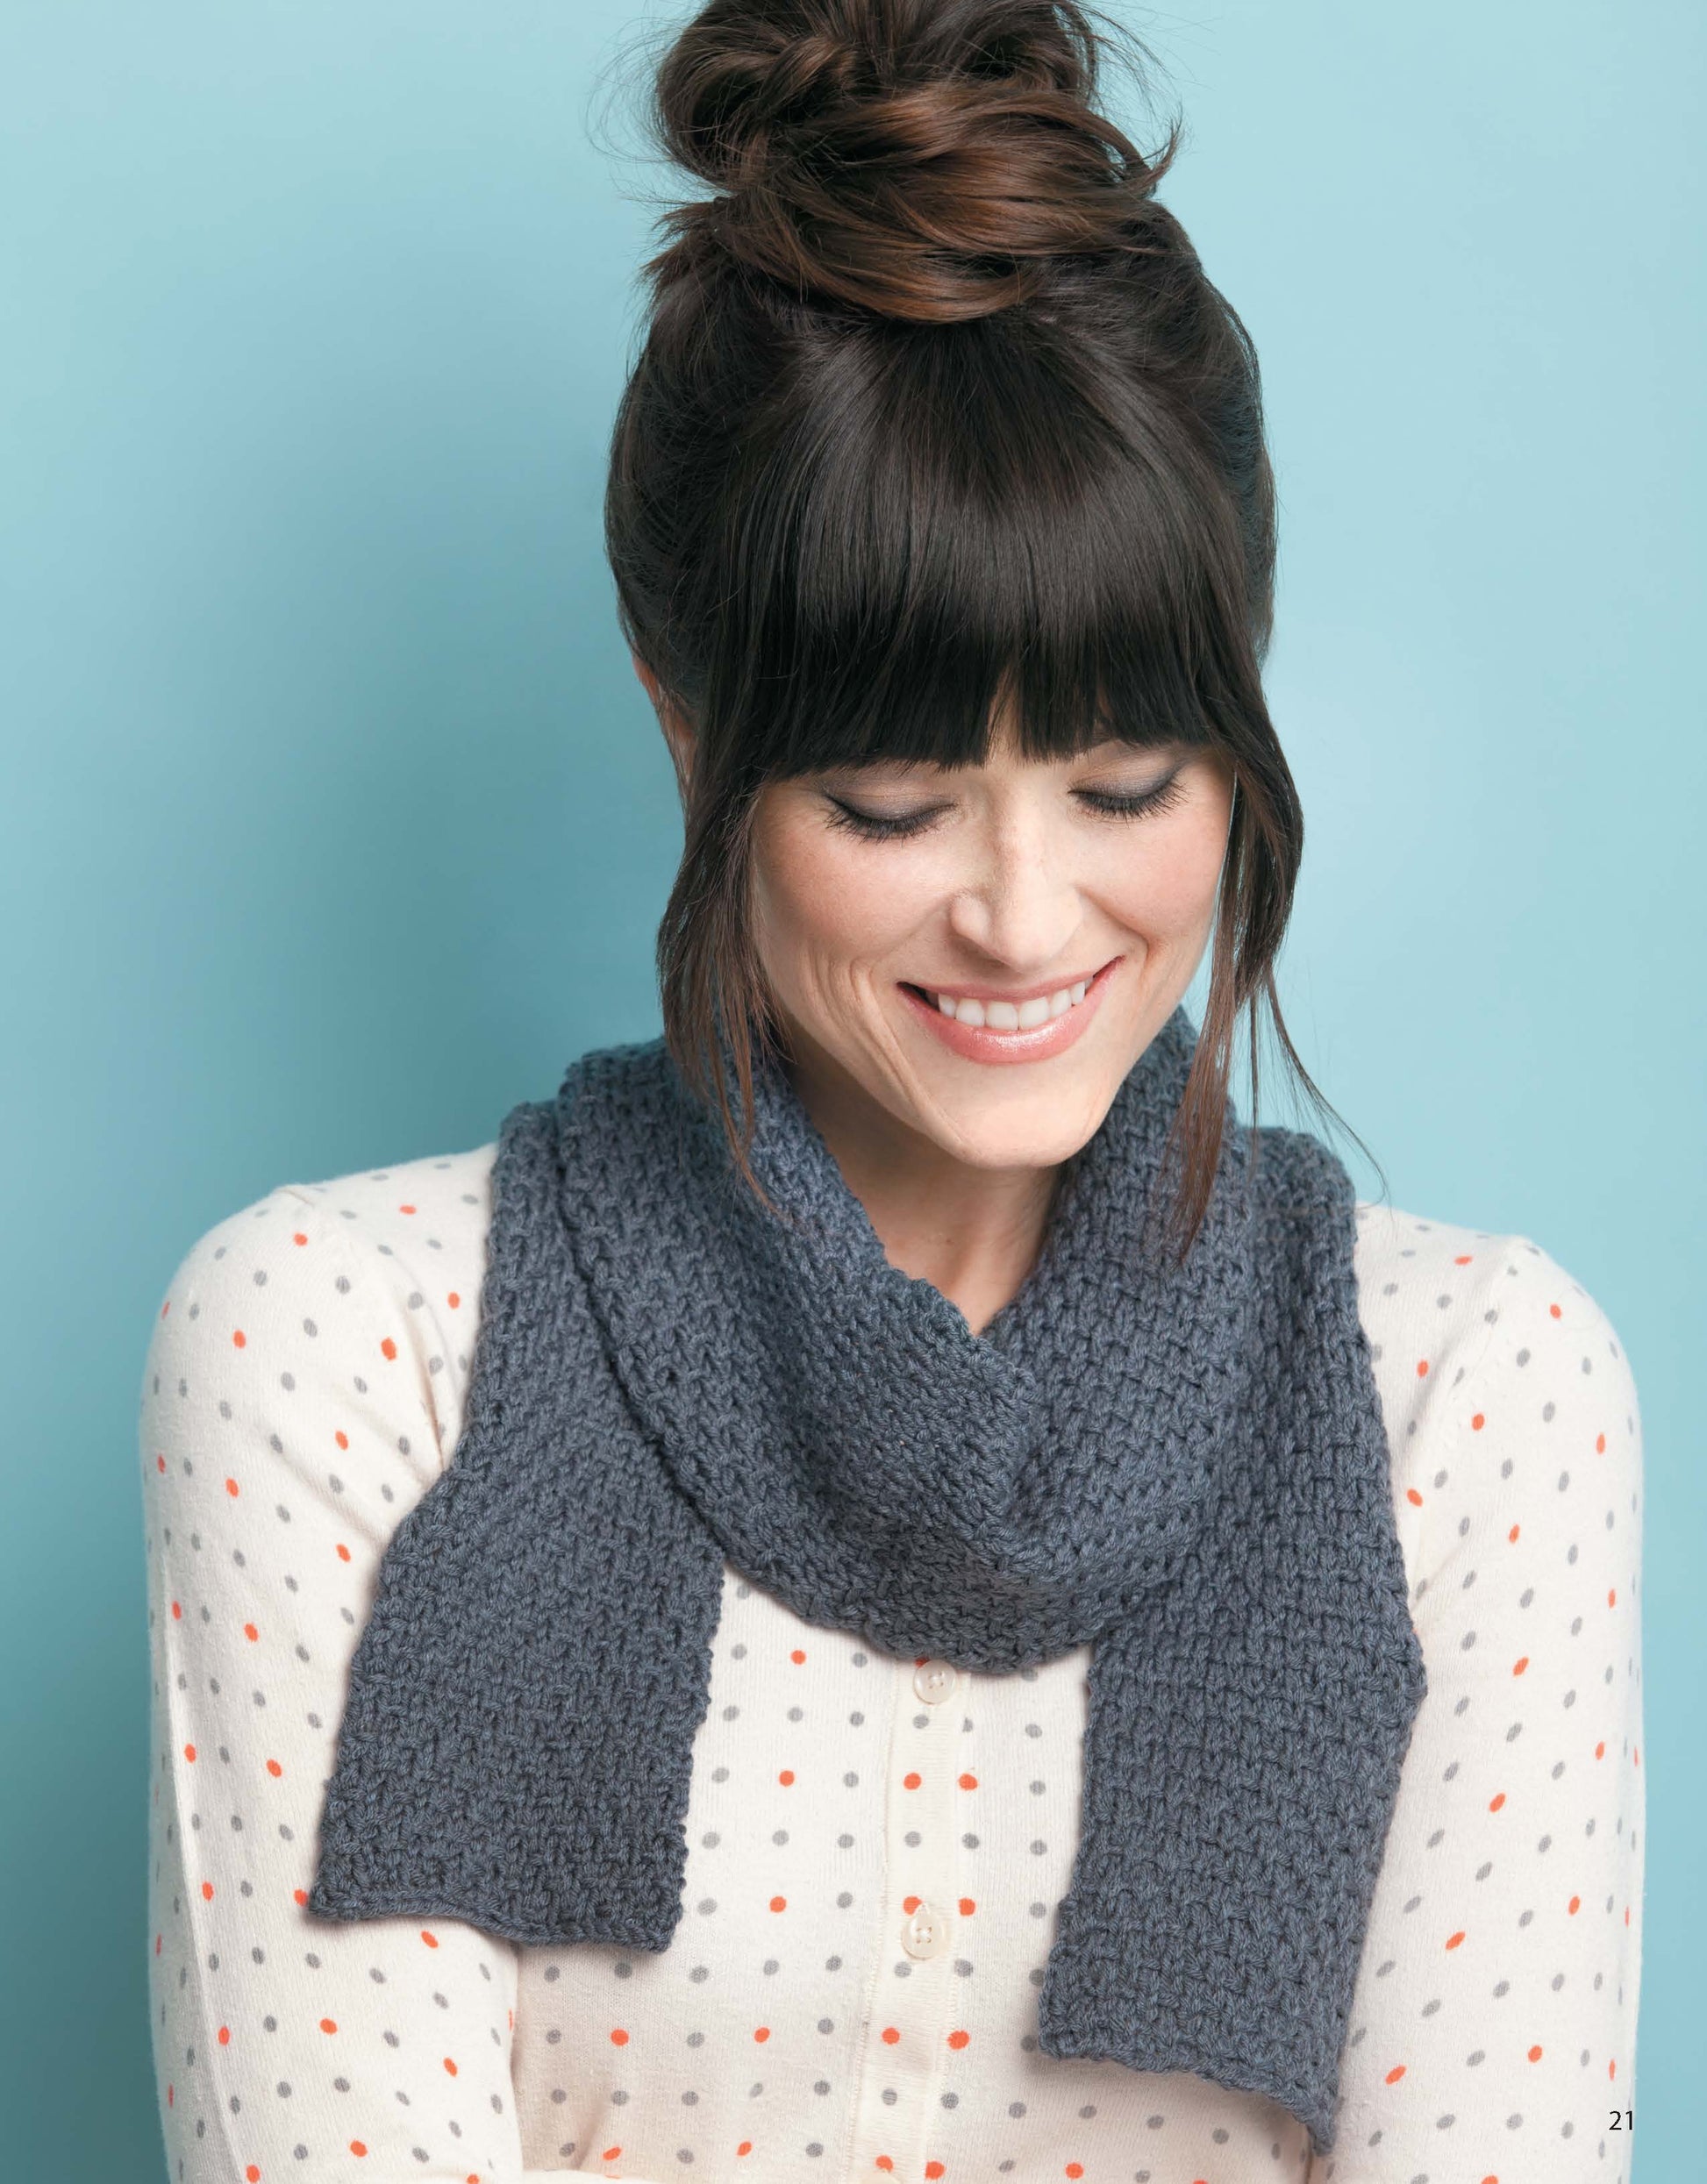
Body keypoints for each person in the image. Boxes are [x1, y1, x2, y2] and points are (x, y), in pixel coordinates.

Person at [139, 4, 1645, 2180]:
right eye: (887, 803)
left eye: (1124, 779)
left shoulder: (1470, 1399)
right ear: (691, 739)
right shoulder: (341, 1352)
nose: (1026, 922)